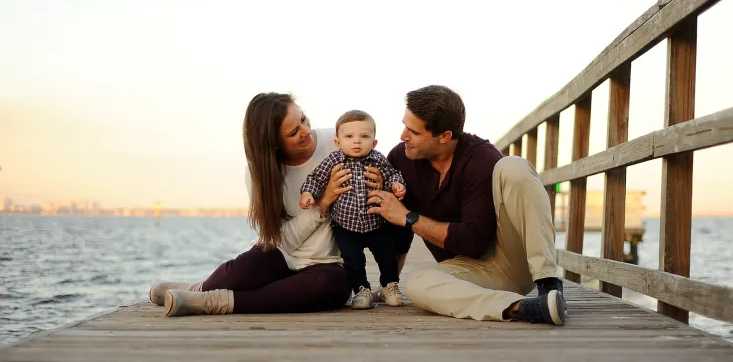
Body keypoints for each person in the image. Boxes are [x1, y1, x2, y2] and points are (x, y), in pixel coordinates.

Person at [148, 92, 385, 317]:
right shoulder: (260, 175)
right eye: (293, 133)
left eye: (303, 119)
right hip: (282, 251)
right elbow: (281, 240)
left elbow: (381, 197)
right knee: (242, 270)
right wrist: (323, 203)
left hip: (328, 263)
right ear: (274, 144)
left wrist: (381, 184)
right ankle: (200, 288)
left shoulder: (339, 143)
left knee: (330, 288)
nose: (306, 131)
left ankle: (213, 300)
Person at [367, 85, 567, 325]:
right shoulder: (402, 158)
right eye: (404, 125)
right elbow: (397, 230)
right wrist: (390, 282)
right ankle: (524, 308)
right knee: (417, 284)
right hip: (467, 273)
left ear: (445, 136)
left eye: (413, 132)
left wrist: (409, 217)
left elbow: (473, 241)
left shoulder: (481, 159)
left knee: (513, 166)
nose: (403, 136)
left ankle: (548, 283)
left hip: (510, 260)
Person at [299, 110, 407, 309]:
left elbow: (392, 174)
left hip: (376, 222)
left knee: (386, 256)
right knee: (353, 260)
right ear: (338, 142)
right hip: (345, 225)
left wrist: (396, 185)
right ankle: (361, 290)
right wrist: (308, 193)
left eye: (364, 136)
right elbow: (316, 178)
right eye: (349, 136)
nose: (356, 141)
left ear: (374, 142)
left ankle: (389, 285)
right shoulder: (334, 160)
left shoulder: (378, 159)